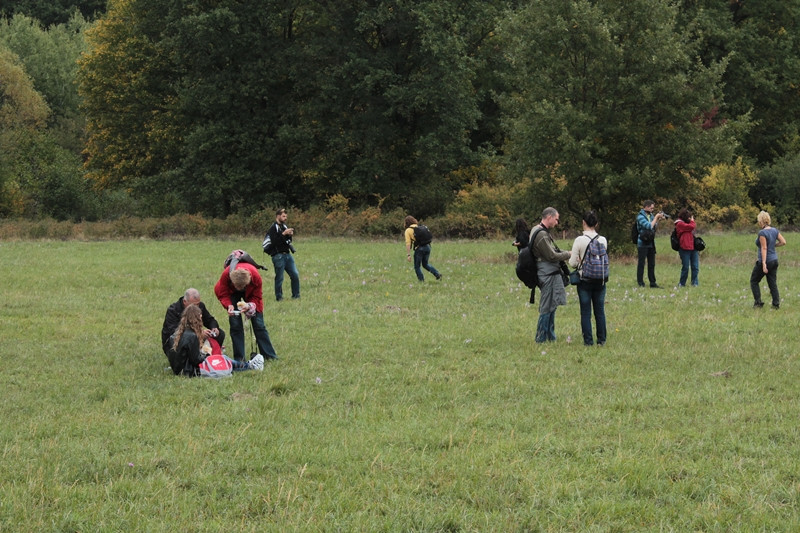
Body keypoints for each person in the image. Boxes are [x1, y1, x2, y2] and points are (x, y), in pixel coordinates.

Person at [166, 304, 263, 376]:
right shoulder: (192, 336)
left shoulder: (178, 333)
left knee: (221, 358)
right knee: (221, 360)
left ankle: (248, 365)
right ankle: (249, 366)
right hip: (189, 371)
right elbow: (196, 360)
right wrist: (208, 354)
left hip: (179, 369)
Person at [214, 261, 279, 361]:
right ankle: (240, 358)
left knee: (259, 324)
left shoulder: (256, 277)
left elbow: (257, 297)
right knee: (235, 324)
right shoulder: (226, 275)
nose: (239, 289)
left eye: (242, 287)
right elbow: (222, 292)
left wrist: (250, 305)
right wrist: (229, 305)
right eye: (237, 286)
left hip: (251, 293)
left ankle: (269, 356)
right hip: (232, 293)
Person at [531, 207, 571, 343]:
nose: (557, 222)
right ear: (549, 217)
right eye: (556, 219)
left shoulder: (536, 230)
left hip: (549, 272)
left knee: (552, 304)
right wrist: (568, 254)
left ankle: (550, 336)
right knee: (547, 305)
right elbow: (551, 255)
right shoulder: (541, 235)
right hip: (547, 274)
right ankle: (541, 337)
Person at [569, 210, 607, 346]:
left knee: (585, 312)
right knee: (600, 311)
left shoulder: (579, 240)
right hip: (600, 279)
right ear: (596, 224)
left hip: (584, 280)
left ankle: (588, 341)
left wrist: (580, 261)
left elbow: (572, 263)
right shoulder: (602, 240)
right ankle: (601, 340)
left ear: (583, 223)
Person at [161, 288, 225, 356]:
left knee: (220, 334)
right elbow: (174, 332)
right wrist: (198, 334)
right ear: (185, 302)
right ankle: (200, 356)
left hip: (194, 338)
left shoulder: (200, 306)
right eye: (194, 305)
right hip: (176, 342)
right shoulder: (174, 310)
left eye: (198, 304)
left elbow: (209, 320)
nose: (197, 307)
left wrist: (214, 328)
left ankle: (211, 354)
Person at [262, 208, 300, 301]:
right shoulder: (273, 228)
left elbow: (288, 241)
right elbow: (275, 242)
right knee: (279, 277)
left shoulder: (284, 226)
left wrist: (289, 235)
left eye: (286, 216)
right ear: (278, 216)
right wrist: (283, 234)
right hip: (278, 256)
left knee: (295, 274)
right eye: (283, 216)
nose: (285, 218)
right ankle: (279, 297)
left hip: (287, 255)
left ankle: (296, 296)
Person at [750, 210, 786, 309]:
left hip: (766, 261)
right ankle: (776, 304)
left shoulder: (762, 233)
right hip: (774, 260)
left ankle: (758, 303)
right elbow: (783, 242)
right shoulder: (774, 230)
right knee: (772, 283)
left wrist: (764, 263)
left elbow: (764, 248)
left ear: (761, 221)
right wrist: (774, 245)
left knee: (754, 281)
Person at [636, 200, 667, 288]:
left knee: (652, 264)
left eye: (653, 208)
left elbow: (654, 227)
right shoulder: (640, 217)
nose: (652, 210)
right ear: (646, 207)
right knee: (641, 264)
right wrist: (656, 218)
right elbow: (648, 226)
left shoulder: (651, 216)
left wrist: (658, 220)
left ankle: (653, 283)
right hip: (642, 243)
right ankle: (640, 283)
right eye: (651, 208)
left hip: (651, 242)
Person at [404, 216, 442, 281]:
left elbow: (408, 243)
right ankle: (437, 274)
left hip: (419, 249)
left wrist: (408, 254)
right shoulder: (419, 227)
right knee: (425, 264)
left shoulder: (408, 230)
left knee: (417, 266)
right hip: (428, 247)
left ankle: (421, 281)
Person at [674, 208, 699, 287]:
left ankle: (695, 282)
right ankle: (682, 283)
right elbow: (691, 226)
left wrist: (691, 222)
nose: (690, 219)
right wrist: (692, 221)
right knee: (685, 267)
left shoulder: (688, 224)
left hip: (693, 247)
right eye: (688, 217)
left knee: (695, 267)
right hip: (684, 248)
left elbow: (692, 228)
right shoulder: (680, 224)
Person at [513, 217, 535, 304]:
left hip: (524, 253)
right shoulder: (528, 231)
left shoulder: (521, 233)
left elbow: (522, 242)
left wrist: (515, 244)